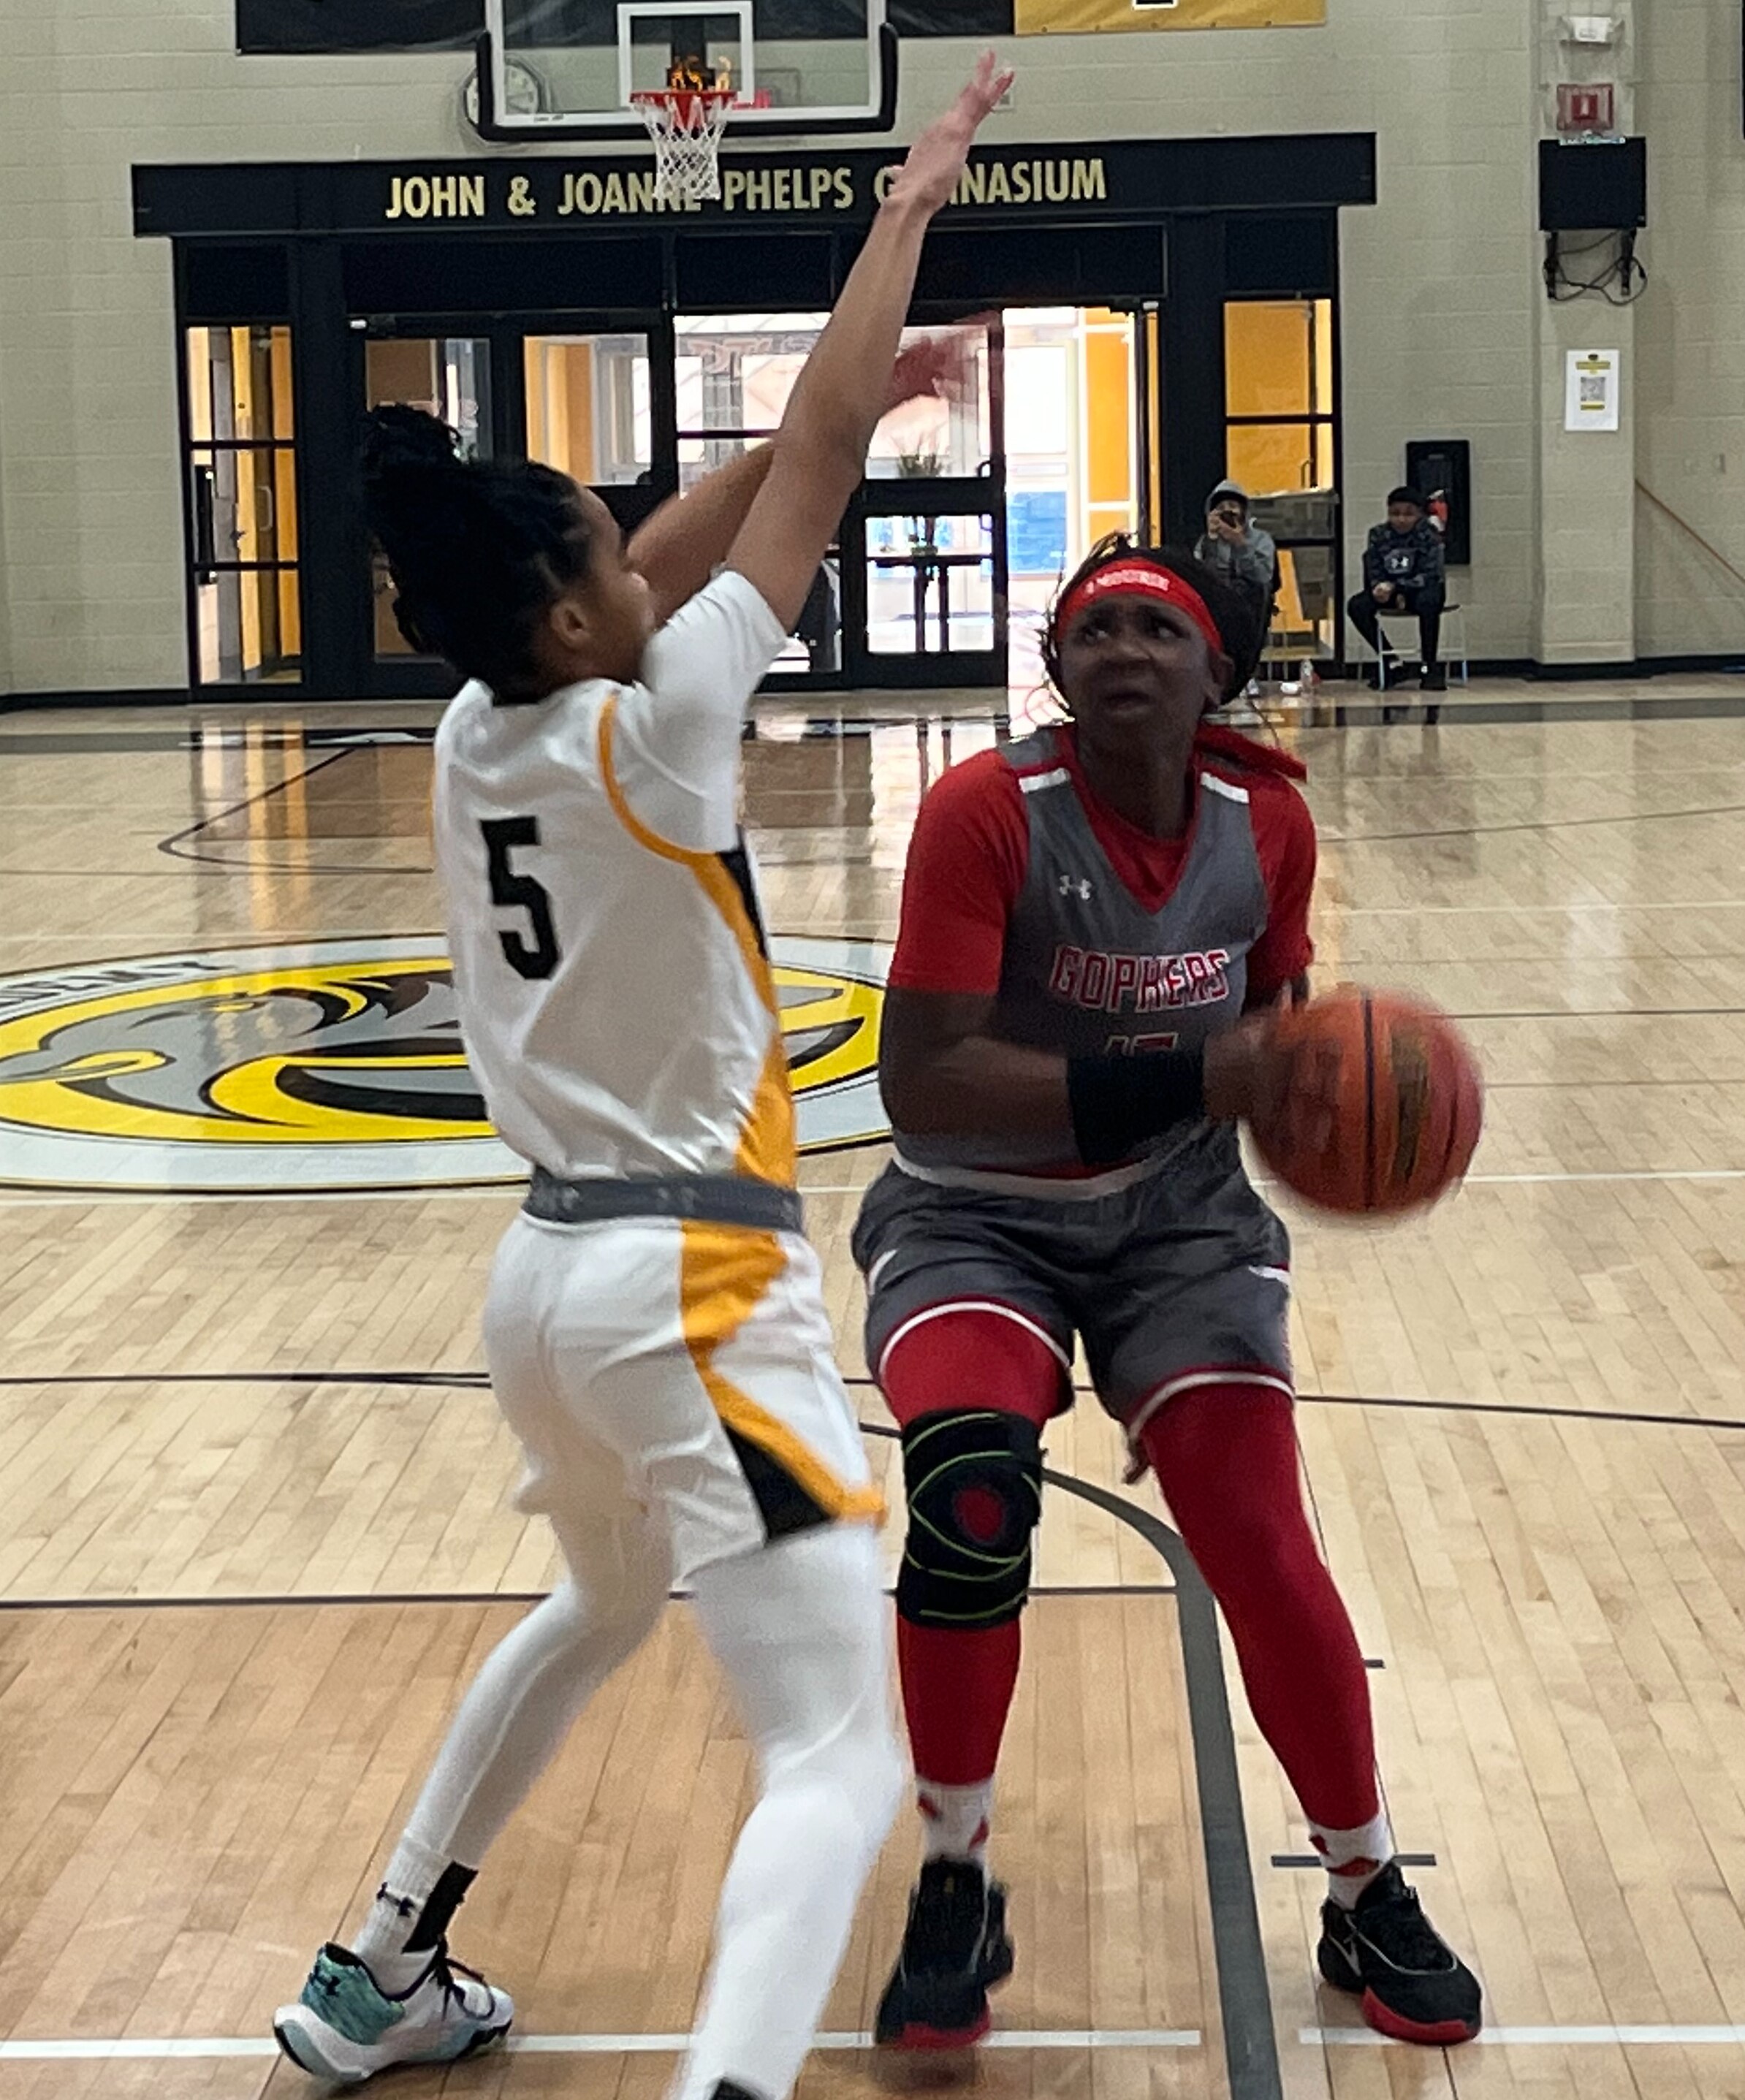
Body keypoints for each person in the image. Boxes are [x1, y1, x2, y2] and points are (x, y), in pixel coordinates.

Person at [270, 52, 1014, 2091]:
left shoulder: (476, 729)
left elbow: (708, 514)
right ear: (581, 611)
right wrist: (901, 210)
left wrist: (789, 427)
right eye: (612, 558)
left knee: (597, 1605)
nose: (643, 568)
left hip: (544, 1290)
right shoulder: (660, 727)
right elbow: (806, 472)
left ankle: (377, 1966)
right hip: (689, 1298)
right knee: (835, 1755)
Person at [853, 533, 1484, 2051]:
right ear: (1056, 673)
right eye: (1094, 630)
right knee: (972, 1492)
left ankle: (1363, 1882)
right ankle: (954, 1880)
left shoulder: (1266, 823)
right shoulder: (985, 812)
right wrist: (1196, 1070)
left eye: (1158, 628)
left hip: (1181, 1223)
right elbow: (923, 1080)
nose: (1124, 648)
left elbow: (1276, 1026)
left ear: (1217, 677)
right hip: (971, 1220)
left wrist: (1331, 1109)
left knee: (1260, 1541)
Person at [1347, 487, 1446, 691]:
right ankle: (1392, 662)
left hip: (1420, 590)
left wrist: (1399, 587)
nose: (1401, 519)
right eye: (1395, 513)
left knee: (1429, 603)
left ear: (1419, 514)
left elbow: (1430, 574)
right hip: (1389, 590)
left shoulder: (1430, 535)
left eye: (1408, 514)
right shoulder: (1378, 534)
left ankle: (1430, 667)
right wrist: (1378, 587)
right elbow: (1373, 565)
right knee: (1357, 606)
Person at [1195, 479, 1278, 631]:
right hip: (1217, 610)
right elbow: (1203, 578)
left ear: (1244, 510)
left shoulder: (1261, 539)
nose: (1228, 512)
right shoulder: (1206, 542)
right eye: (1221, 508)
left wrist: (1241, 545)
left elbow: (1262, 576)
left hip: (1252, 610)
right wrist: (1212, 542)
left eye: (1233, 507)